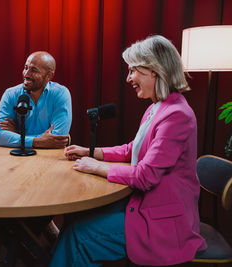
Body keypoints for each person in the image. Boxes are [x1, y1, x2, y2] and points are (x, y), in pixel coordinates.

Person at [51, 35, 207, 266]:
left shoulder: (176, 115)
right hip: (147, 204)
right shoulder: (158, 107)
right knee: (76, 217)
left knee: (79, 236)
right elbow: (132, 149)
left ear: (154, 70)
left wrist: (97, 167)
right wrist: (90, 152)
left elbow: (145, 176)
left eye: (133, 70)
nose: (129, 78)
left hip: (162, 219)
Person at [0, 51, 72, 148]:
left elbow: (57, 139)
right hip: (16, 159)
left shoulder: (60, 94)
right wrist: (36, 141)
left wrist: (18, 135)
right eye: (26, 68)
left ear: (49, 76)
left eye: (34, 70)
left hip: (50, 158)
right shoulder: (10, 94)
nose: (26, 74)